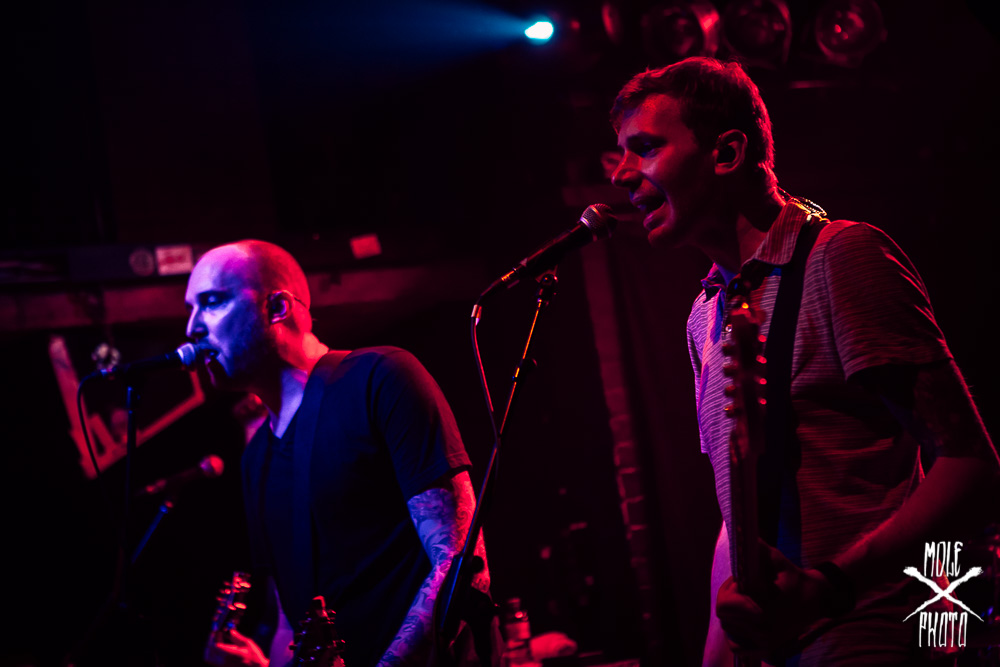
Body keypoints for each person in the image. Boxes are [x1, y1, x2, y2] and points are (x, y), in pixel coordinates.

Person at [608, 57, 998, 665]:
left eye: (647, 148)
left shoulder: (842, 258)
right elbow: (739, 516)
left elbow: (970, 465)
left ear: (727, 153)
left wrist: (831, 585)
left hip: (874, 638)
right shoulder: (703, 314)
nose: (621, 174)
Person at [187, 240, 492, 667]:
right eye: (190, 309)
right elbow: (290, 624)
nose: (192, 327)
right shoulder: (255, 459)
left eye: (212, 302)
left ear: (277, 308)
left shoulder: (380, 379)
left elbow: (461, 566)